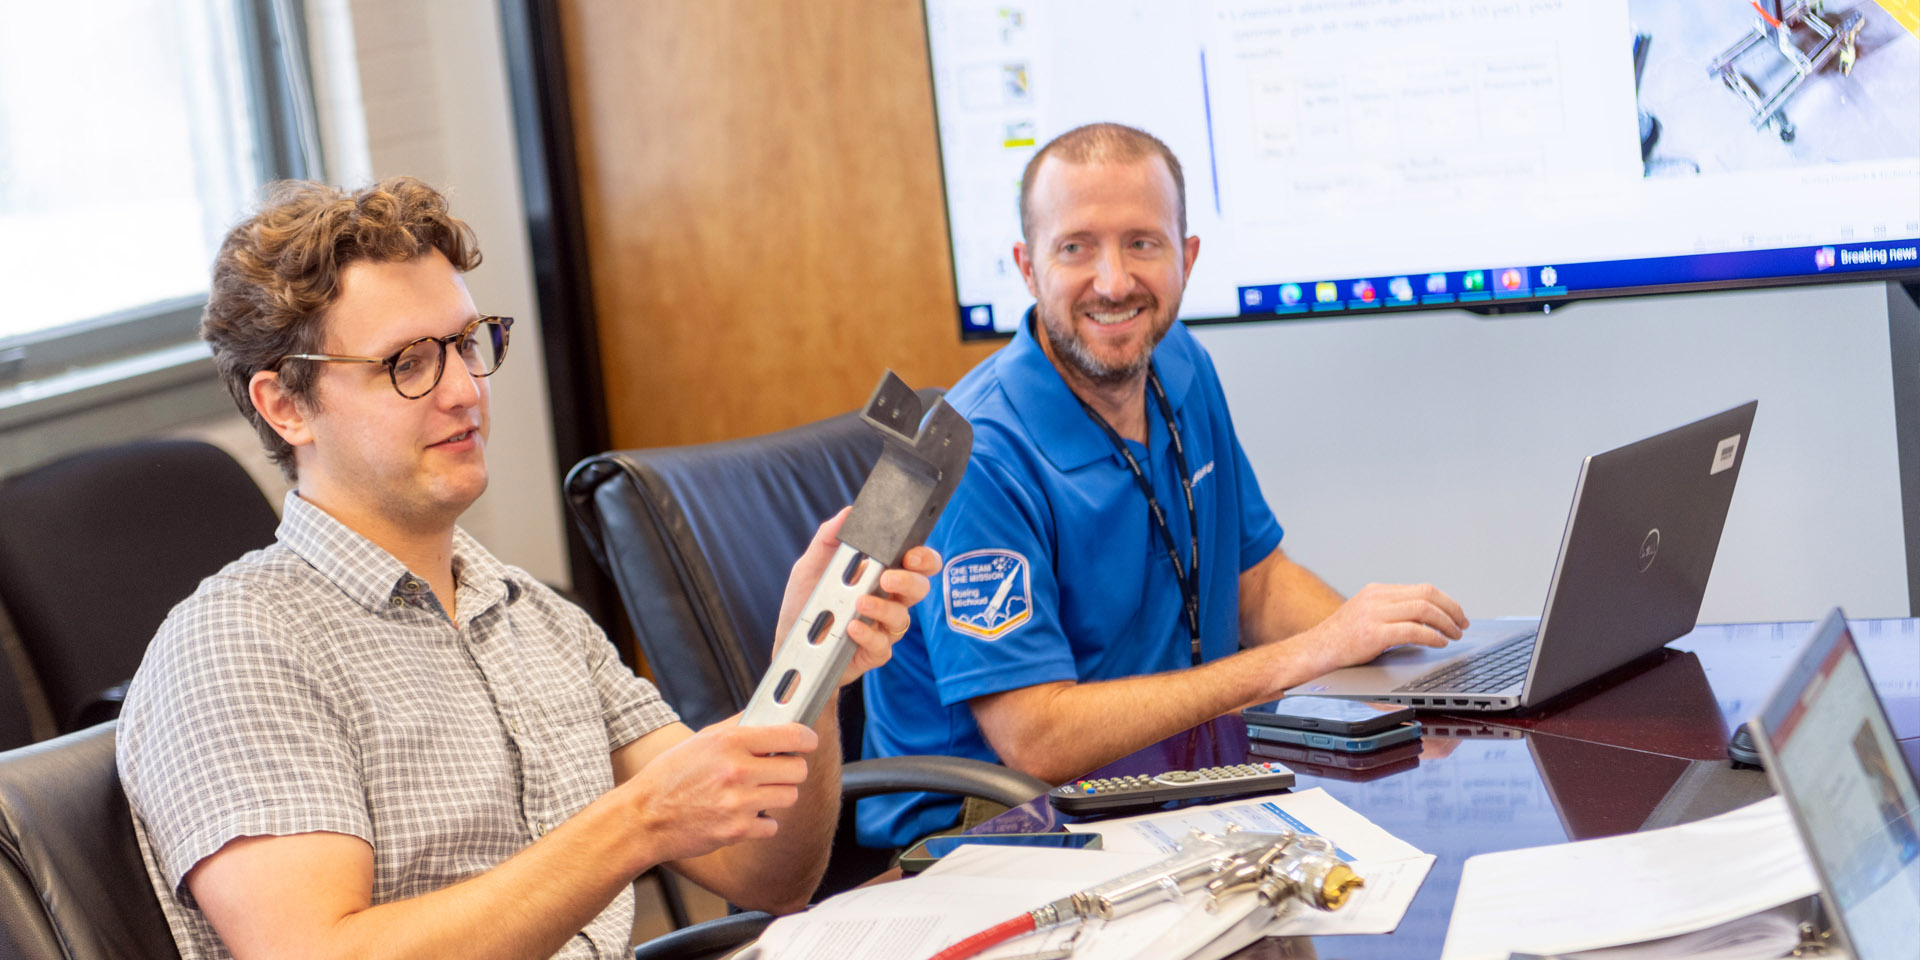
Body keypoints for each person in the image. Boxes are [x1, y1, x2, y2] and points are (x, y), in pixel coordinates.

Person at [116, 177, 938, 960]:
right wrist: (636, 821)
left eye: (467, 345)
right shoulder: (236, 648)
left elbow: (769, 876)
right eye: (408, 362)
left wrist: (812, 669)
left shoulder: (534, 616)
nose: (466, 390)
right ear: (285, 406)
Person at [860, 123, 1467, 848]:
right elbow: (1037, 738)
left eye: (1142, 243)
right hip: (996, 831)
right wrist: (1313, 654)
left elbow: (1256, 584)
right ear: (1027, 267)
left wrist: (1398, 680)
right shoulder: (977, 455)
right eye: (1076, 247)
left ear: (1187, 256)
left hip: (1169, 785)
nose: (1113, 283)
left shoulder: (1179, 362)